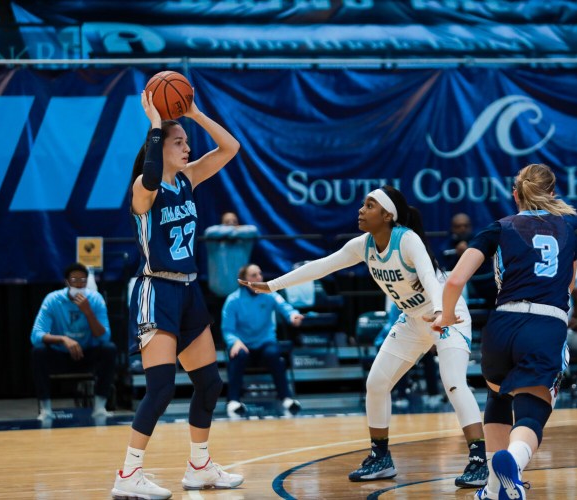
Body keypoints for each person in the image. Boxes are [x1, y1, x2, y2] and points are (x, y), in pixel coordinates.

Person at [240, 185, 488, 488]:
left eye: (369, 205)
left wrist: (439, 312)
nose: (361, 210)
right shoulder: (364, 245)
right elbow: (321, 266)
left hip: (447, 315)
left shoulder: (407, 240)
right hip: (412, 320)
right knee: (377, 383)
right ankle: (380, 457)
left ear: (387, 215)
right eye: (363, 204)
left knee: (453, 382)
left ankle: (479, 461)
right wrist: (272, 285)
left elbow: (429, 277)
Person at [111, 90, 243, 499]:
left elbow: (230, 147)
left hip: (189, 290)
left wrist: (195, 114)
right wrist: (154, 123)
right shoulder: (143, 189)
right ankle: (128, 474)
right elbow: (150, 176)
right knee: (162, 387)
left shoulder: (188, 179)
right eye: (179, 142)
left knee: (209, 384)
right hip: (157, 289)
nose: (187, 148)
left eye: (187, 142)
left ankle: (199, 467)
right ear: (159, 148)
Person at [433, 163, 577, 500]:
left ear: (516, 194)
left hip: (501, 325)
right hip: (544, 323)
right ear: (552, 192)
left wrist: (448, 315)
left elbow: (454, 279)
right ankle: (512, 462)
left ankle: (495, 488)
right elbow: (568, 287)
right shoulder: (568, 231)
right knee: (533, 409)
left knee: (499, 395)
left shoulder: (499, 227)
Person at [31, 262, 116, 421]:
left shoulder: (95, 299)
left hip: (86, 354)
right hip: (60, 355)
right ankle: (46, 409)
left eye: (83, 280)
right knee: (38, 351)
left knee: (109, 349)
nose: (79, 284)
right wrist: (63, 339)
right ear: (67, 282)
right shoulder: (52, 300)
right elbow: (35, 335)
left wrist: (88, 312)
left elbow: (105, 336)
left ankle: (99, 407)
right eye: (75, 280)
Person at [222, 263, 304, 417]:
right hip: (243, 344)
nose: (259, 278)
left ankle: (286, 397)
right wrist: (235, 342)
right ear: (244, 280)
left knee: (274, 354)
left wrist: (293, 316)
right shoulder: (232, 300)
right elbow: (227, 330)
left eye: (260, 274)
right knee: (237, 355)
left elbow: (285, 307)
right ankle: (233, 400)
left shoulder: (270, 294)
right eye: (253, 275)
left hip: (265, 342)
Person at [443, 213, 496, 306]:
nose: (462, 229)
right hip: (459, 286)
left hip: (483, 283)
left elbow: (487, 268)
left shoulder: (481, 242)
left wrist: (470, 253)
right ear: (452, 228)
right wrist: (457, 256)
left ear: (470, 227)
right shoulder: (445, 247)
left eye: (466, 226)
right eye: (458, 226)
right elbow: (446, 271)